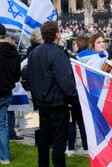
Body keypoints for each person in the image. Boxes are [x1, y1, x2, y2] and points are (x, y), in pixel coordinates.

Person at [28, 20, 78, 167]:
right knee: (58, 139)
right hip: (56, 104)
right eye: (60, 31)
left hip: (42, 102)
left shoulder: (35, 52)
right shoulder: (55, 53)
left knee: (43, 137)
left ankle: (43, 164)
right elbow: (66, 80)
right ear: (57, 34)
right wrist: (73, 99)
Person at [0, 24, 20, 165]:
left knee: (2, 124)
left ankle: (5, 155)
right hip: (7, 92)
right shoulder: (13, 52)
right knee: (2, 124)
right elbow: (16, 75)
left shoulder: (12, 52)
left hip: (5, 91)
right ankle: (5, 157)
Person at [65, 35, 89, 156]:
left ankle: (70, 148)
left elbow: (70, 80)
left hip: (74, 96)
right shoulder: (88, 59)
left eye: (76, 44)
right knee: (82, 123)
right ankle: (86, 147)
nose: (74, 46)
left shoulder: (75, 61)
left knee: (72, 123)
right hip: (83, 97)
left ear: (79, 46)